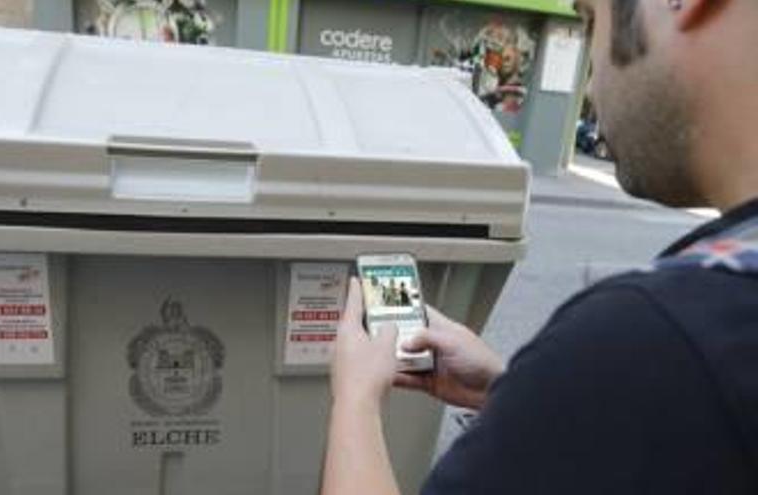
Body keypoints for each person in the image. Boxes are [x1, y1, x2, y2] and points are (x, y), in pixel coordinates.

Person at [322, 0, 758, 493]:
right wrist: (519, 392)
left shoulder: (653, 338)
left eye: (591, 20)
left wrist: (355, 398)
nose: (590, 86)